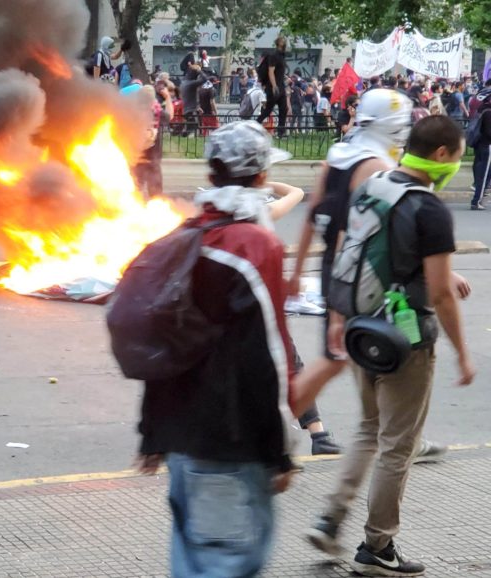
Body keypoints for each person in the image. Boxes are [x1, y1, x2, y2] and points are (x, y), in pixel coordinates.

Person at [305, 114, 475, 577]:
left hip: (363, 328)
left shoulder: (375, 186)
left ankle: (331, 515)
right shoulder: (430, 208)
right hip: (406, 339)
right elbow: (439, 293)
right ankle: (377, 547)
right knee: (398, 446)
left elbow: (347, 251)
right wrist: (462, 352)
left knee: (368, 428)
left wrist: (339, 316)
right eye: (459, 155)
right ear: (441, 155)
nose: (459, 163)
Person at [132, 120, 298, 577]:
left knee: (192, 562)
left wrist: (152, 432)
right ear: (262, 177)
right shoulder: (255, 246)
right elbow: (267, 356)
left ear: (212, 173)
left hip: (182, 441)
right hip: (231, 444)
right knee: (224, 565)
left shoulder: (186, 236)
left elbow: (163, 345)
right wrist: (279, 450)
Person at [257, 37, 290, 137]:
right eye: (282, 41)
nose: (284, 42)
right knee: (267, 111)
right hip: (273, 87)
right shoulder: (273, 55)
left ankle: (280, 132)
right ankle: (254, 126)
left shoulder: (282, 56)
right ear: (278, 43)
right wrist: (274, 86)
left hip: (281, 86)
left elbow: (279, 72)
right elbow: (270, 72)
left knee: (284, 109)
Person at [469, 81, 491, 211]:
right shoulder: (489, 112)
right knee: (483, 175)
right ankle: (476, 200)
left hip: (480, 144)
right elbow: (489, 132)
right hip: (487, 145)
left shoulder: (482, 110)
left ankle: (479, 197)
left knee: (483, 173)